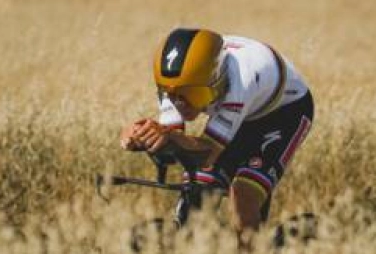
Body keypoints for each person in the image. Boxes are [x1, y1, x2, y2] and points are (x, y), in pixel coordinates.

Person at [120, 27, 314, 241]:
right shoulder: (176, 83)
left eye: (195, 94)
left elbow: (208, 152)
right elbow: (172, 142)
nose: (181, 105)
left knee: (243, 197)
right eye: (173, 95)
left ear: (218, 79)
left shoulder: (240, 82)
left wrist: (168, 137)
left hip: (283, 115)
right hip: (242, 112)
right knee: (198, 188)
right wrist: (139, 136)